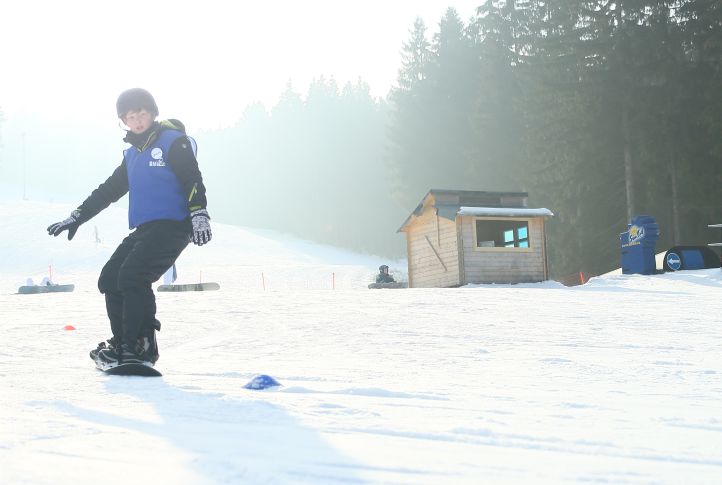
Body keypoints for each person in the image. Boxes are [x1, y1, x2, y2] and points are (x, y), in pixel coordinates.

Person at [47, 88, 211, 366]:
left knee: (133, 275)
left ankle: (140, 345)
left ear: (153, 114)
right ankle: (124, 341)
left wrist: (199, 213)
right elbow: (108, 190)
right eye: (129, 116)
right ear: (123, 120)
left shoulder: (173, 142)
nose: (136, 121)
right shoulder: (132, 155)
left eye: (142, 114)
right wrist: (78, 216)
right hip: (147, 229)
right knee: (111, 277)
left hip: (173, 226)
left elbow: (191, 177)